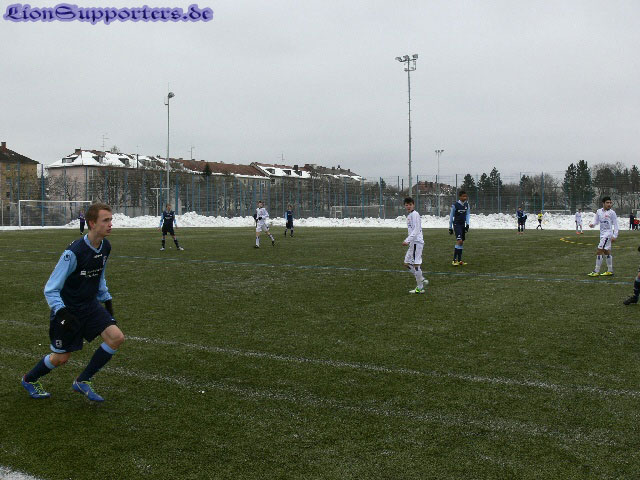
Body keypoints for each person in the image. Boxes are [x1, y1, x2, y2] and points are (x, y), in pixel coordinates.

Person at [21, 203, 125, 402]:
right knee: (61, 358)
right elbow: (51, 288)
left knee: (116, 337)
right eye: (106, 220)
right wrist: (61, 313)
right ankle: (29, 379)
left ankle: (82, 380)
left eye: (111, 220)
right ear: (92, 223)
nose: (110, 224)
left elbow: (99, 275)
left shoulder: (106, 246)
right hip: (68, 310)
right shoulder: (74, 253)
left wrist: (107, 299)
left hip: (90, 305)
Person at [588, 196, 619, 277]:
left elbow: (616, 224)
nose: (609, 204)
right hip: (602, 234)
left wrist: (615, 235)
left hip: (608, 234)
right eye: (607, 203)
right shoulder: (599, 211)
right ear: (603, 203)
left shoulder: (612, 213)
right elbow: (596, 221)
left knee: (599, 251)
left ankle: (596, 271)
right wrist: (593, 225)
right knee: (606, 251)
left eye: (610, 203)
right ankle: (610, 270)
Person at [403, 197, 427, 294]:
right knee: (407, 263)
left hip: (417, 242)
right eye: (406, 205)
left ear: (413, 205)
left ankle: (420, 287)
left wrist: (407, 240)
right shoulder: (409, 216)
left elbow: (416, 229)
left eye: (410, 204)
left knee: (416, 264)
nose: (408, 206)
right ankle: (421, 278)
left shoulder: (415, 214)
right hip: (413, 243)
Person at [449, 191, 470, 265]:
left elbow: (467, 214)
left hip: (462, 225)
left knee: (461, 242)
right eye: (463, 196)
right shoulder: (455, 205)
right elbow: (451, 216)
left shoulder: (467, 205)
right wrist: (450, 227)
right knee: (459, 241)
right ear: (460, 197)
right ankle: (454, 260)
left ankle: (459, 260)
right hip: (456, 224)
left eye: (466, 196)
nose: (465, 198)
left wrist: (467, 224)